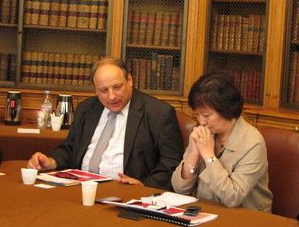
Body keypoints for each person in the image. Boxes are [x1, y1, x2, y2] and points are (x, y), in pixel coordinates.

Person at [27, 57, 183, 190]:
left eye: (117, 87)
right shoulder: (86, 108)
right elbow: (71, 147)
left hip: (126, 192)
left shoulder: (158, 113)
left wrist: (144, 185)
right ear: (95, 90)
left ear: (129, 80)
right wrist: (51, 162)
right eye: (103, 90)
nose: (112, 96)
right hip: (80, 187)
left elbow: (171, 163)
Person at [171, 72, 272, 212]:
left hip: (246, 219)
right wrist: (194, 156)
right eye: (197, 115)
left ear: (226, 109)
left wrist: (209, 157)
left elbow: (233, 197)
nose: (201, 122)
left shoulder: (253, 143)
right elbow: (179, 188)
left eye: (206, 115)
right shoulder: (203, 132)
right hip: (206, 213)